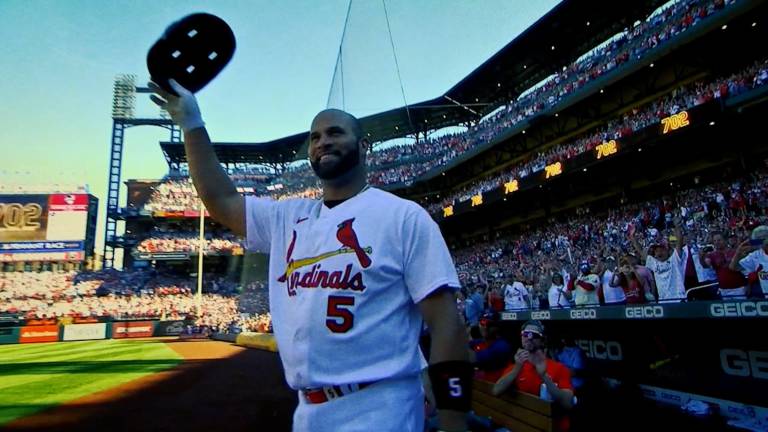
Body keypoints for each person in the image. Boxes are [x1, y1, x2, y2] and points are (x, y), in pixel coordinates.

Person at [150, 80, 471, 432]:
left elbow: (446, 323)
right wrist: (192, 125)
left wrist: (453, 422)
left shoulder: (403, 217)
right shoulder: (287, 217)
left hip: (380, 405)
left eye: (335, 132)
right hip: (308, 410)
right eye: (315, 136)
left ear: (363, 147)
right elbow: (221, 201)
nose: (323, 142)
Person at [492, 320, 574, 431]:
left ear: (542, 341)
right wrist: (517, 369)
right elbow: (496, 390)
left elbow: (568, 403)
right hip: (524, 425)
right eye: (525, 334)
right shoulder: (516, 367)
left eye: (534, 335)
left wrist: (544, 376)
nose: (529, 337)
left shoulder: (558, 368)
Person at [732, 225, 768, 298]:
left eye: (764, 237)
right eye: (759, 238)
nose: (762, 240)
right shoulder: (755, 255)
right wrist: (738, 253)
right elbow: (734, 267)